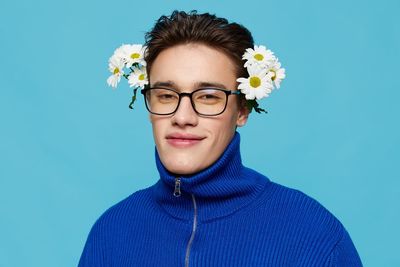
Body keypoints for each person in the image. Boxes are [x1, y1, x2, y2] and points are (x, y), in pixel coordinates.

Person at [78, 10, 363, 266]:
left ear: (242, 110)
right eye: (166, 95)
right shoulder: (111, 232)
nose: (183, 116)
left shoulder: (315, 235)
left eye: (209, 97)